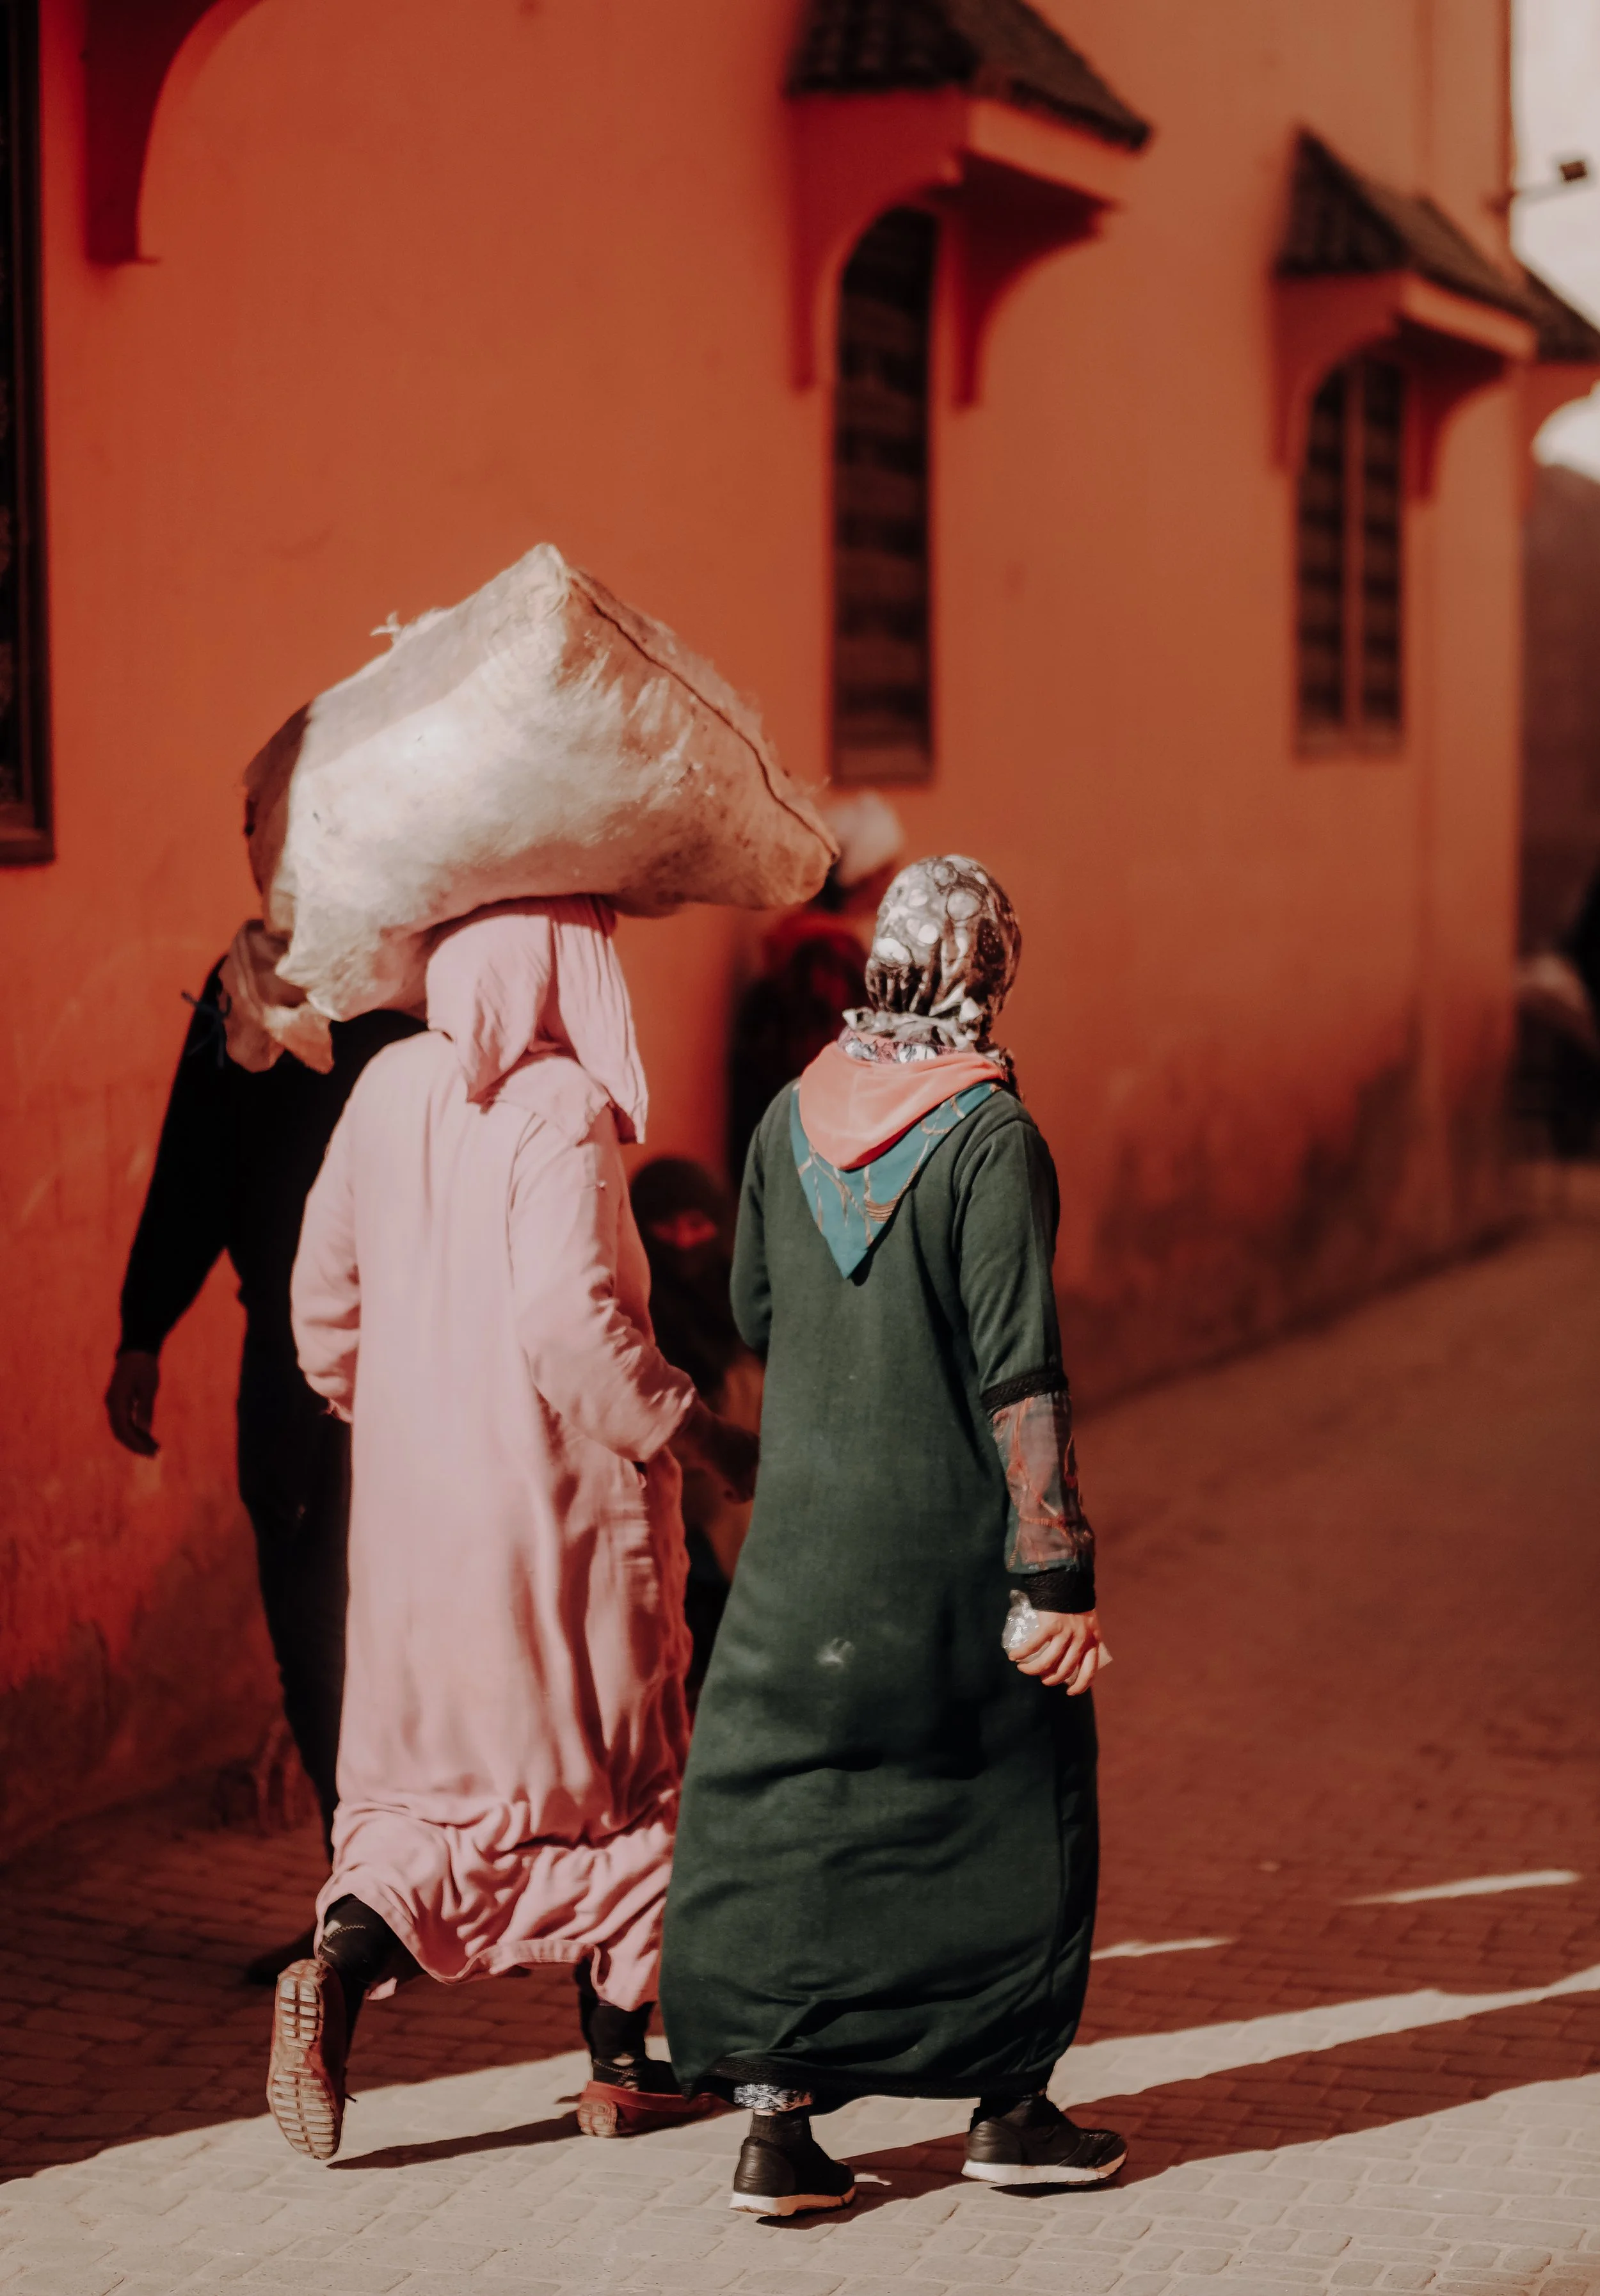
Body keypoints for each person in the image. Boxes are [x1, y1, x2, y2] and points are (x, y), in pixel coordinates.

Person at [661, 856, 1124, 2216]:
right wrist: (1052, 1575)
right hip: (944, 1557)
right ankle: (1009, 2111)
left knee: (799, 1824)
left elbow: (753, 1307)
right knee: (1014, 1811)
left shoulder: (787, 1115)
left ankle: (776, 2133)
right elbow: (1018, 1369)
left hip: (797, 1561)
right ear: (984, 973)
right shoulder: (989, 1139)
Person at [269, 898, 758, 2162]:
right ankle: (617, 2063)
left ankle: (338, 1961)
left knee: (429, 1804)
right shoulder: (559, 1109)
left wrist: (393, 1410)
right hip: (559, 1531)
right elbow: (567, 1328)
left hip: (411, 1531)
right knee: (621, 1791)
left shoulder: (383, 1086)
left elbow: (322, 1301)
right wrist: (694, 1435)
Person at [106, 922, 422, 1978]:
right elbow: (195, 1163)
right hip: (301, 1370)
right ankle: (365, 1897)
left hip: (415, 1357)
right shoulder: (248, 987)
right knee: (318, 1632)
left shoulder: (421, 977)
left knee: (382, 1631)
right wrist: (144, 1325)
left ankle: (398, 1900)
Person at [628, 1158, 763, 1698]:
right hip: (663, 1505)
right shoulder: (631, 1306)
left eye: (698, 1225)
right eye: (665, 1227)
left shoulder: (745, 1298)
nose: (684, 1242)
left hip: (737, 1511)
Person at [724, 791, 904, 1182]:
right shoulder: (825, 958)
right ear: (866, 875)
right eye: (887, 870)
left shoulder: (811, 949)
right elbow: (825, 1069)